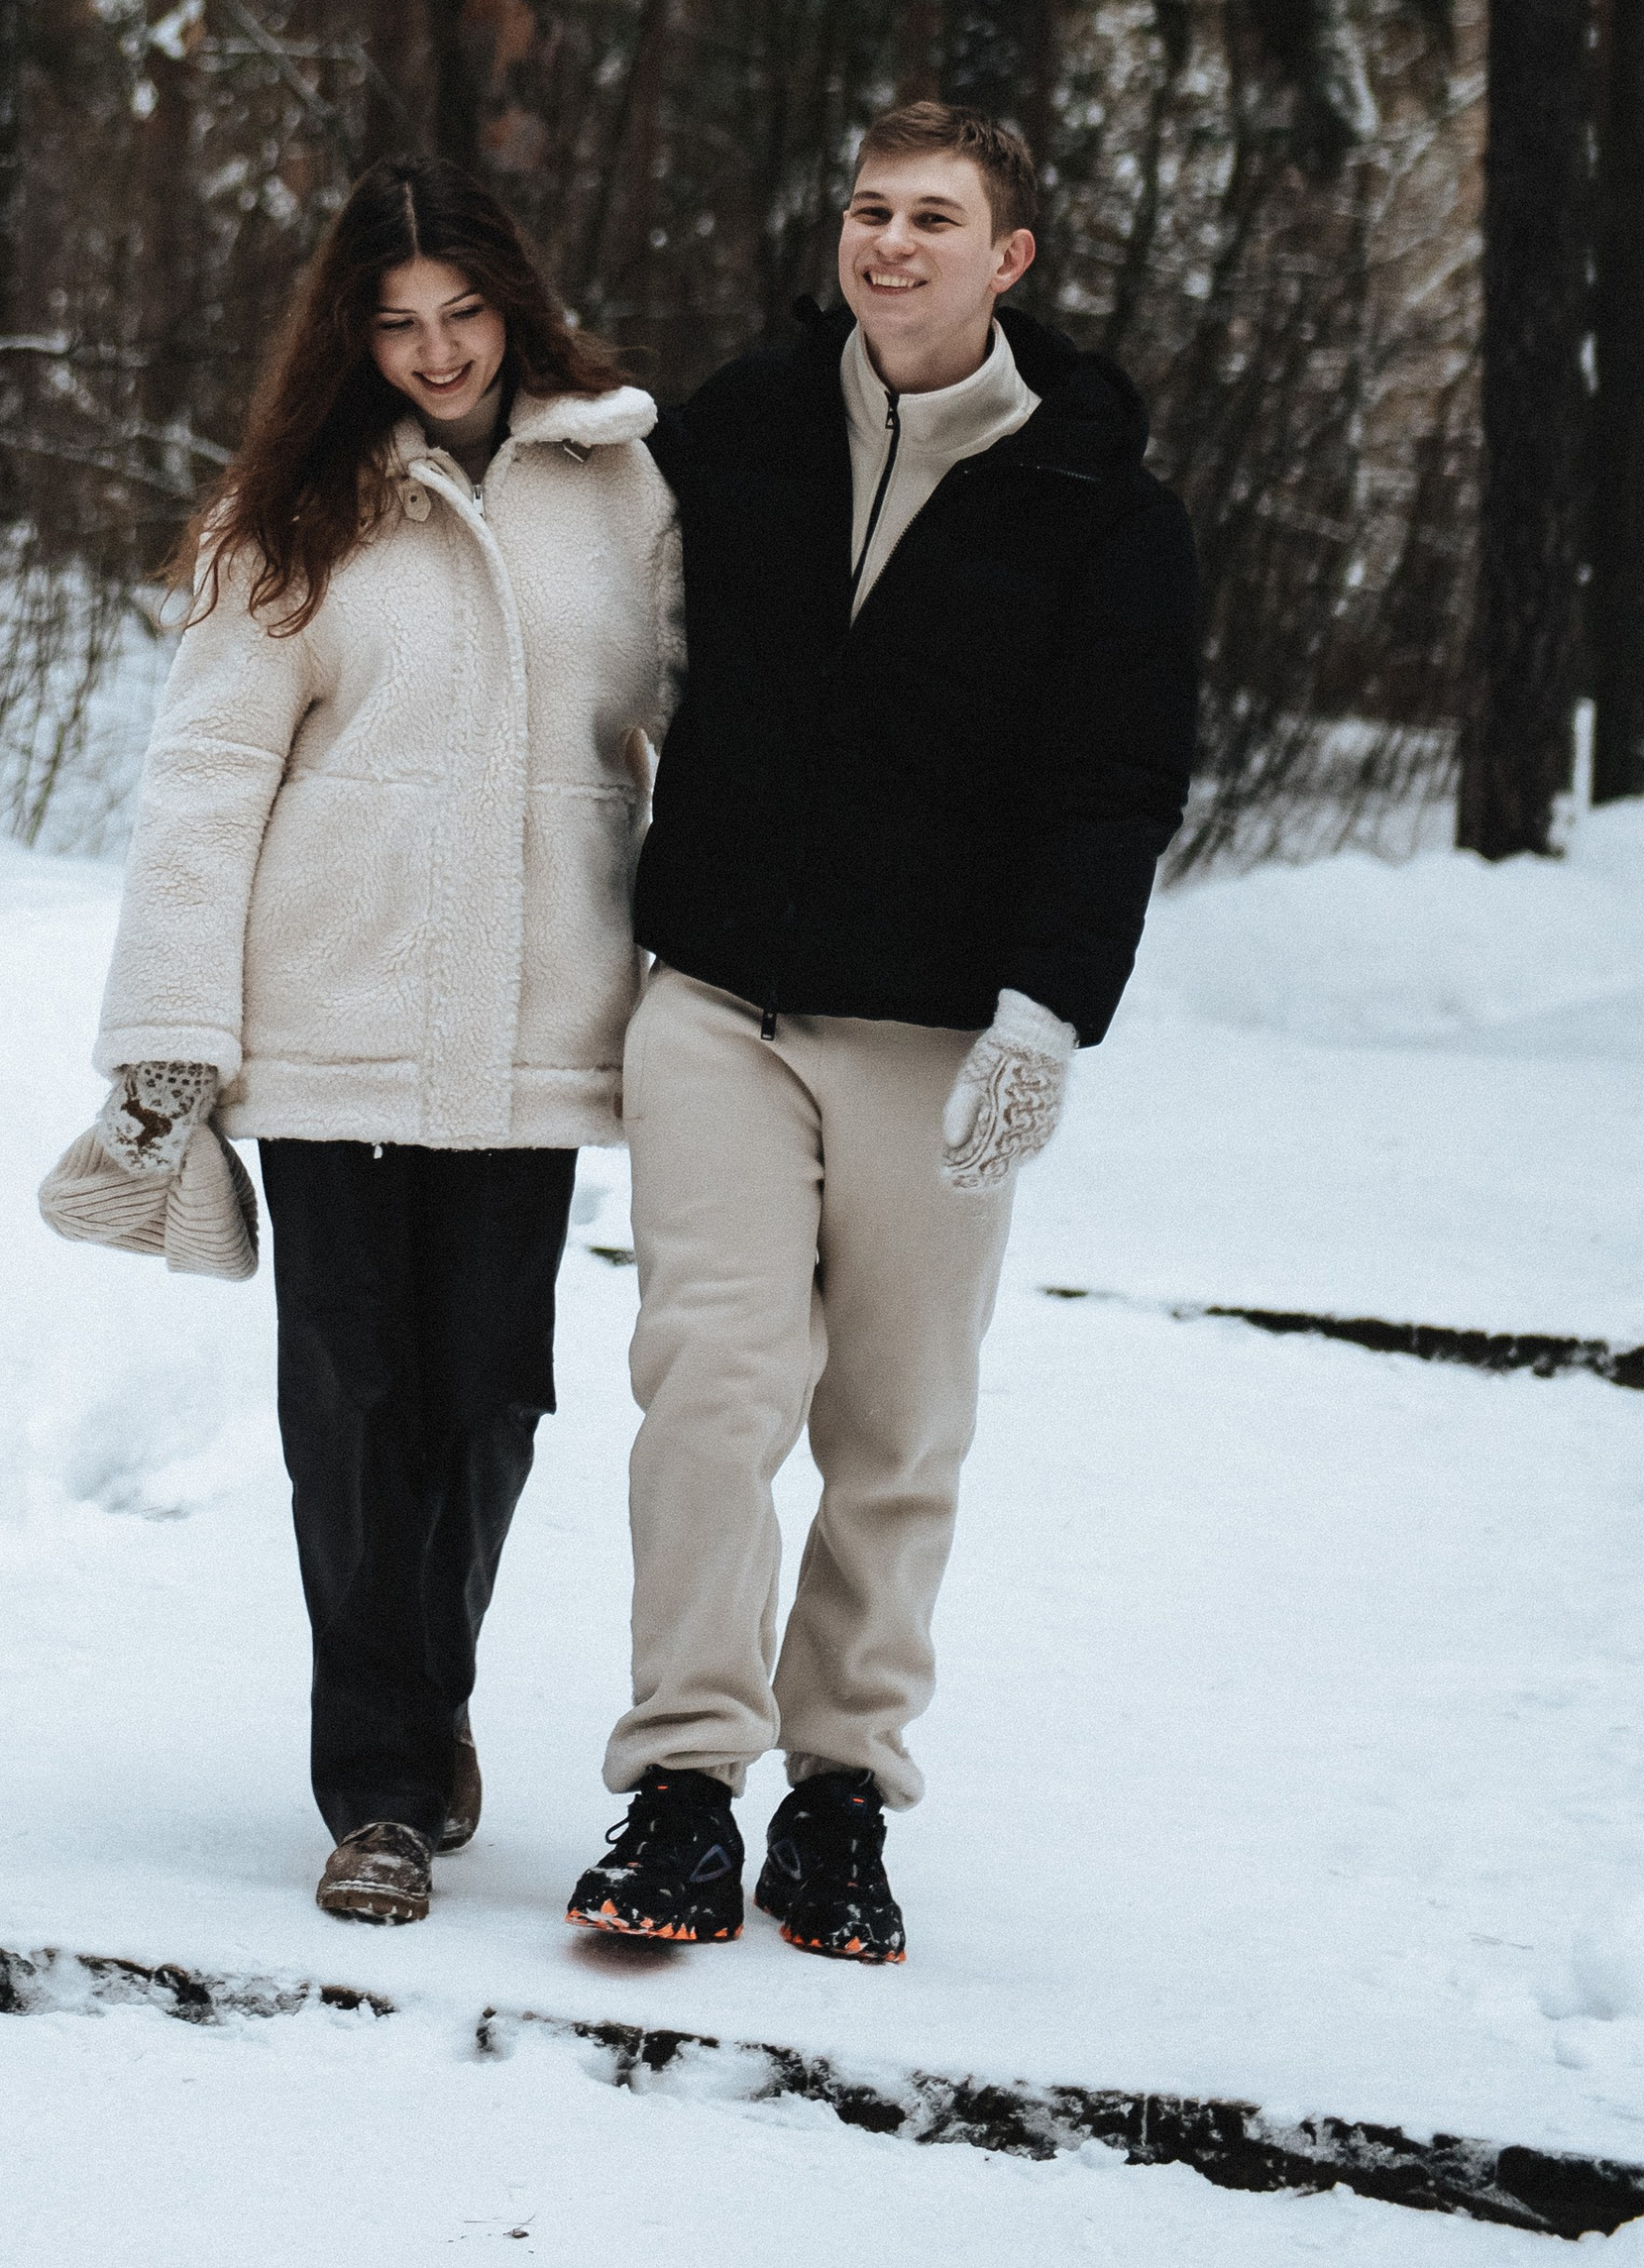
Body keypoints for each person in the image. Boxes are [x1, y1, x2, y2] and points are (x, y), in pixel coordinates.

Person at [567, 99, 1198, 1962]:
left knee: (896, 1421)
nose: (891, 242)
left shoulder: (1101, 505)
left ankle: (838, 1794)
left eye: (937, 217)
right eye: (867, 208)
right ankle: (683, 1783)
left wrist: (1046, 1012)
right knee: (714, 1378)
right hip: (721, 1004)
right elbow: (603, 600)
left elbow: (1118, 781)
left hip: (942, 1035)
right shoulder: (733, 433)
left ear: (1010, 260)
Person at [91, 155, 679, 1931]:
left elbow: (706, 730)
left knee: (487, 1393)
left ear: (518, 301)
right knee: (351, 1404)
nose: (434, 351)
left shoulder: (624, 485)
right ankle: (383, 1790)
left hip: (533, 1023)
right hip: (333, 1013)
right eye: (397, 324)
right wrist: (171, 1033)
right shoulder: (290, 509)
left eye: (463, 314)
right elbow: (205, 777)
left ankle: (427, 1707)